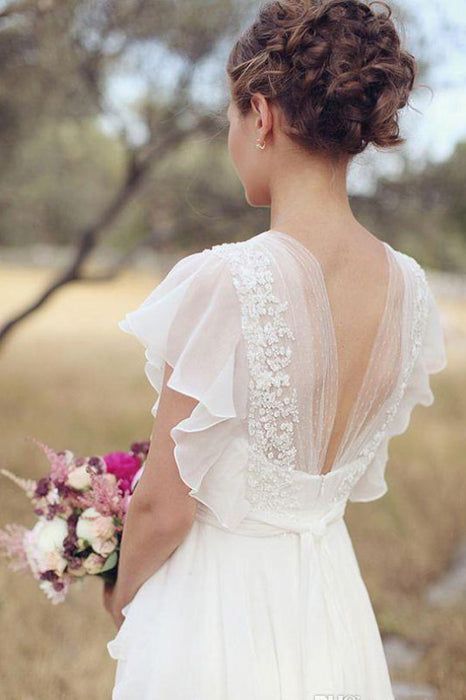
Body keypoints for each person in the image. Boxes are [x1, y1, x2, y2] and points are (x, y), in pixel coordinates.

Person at [105, 1, 448, 698]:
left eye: (231, 119)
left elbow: (163, 509)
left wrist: (121, 595)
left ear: (260, 115)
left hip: (215, 615)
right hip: (329, 605)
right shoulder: (410, 292)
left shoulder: (225, 280)